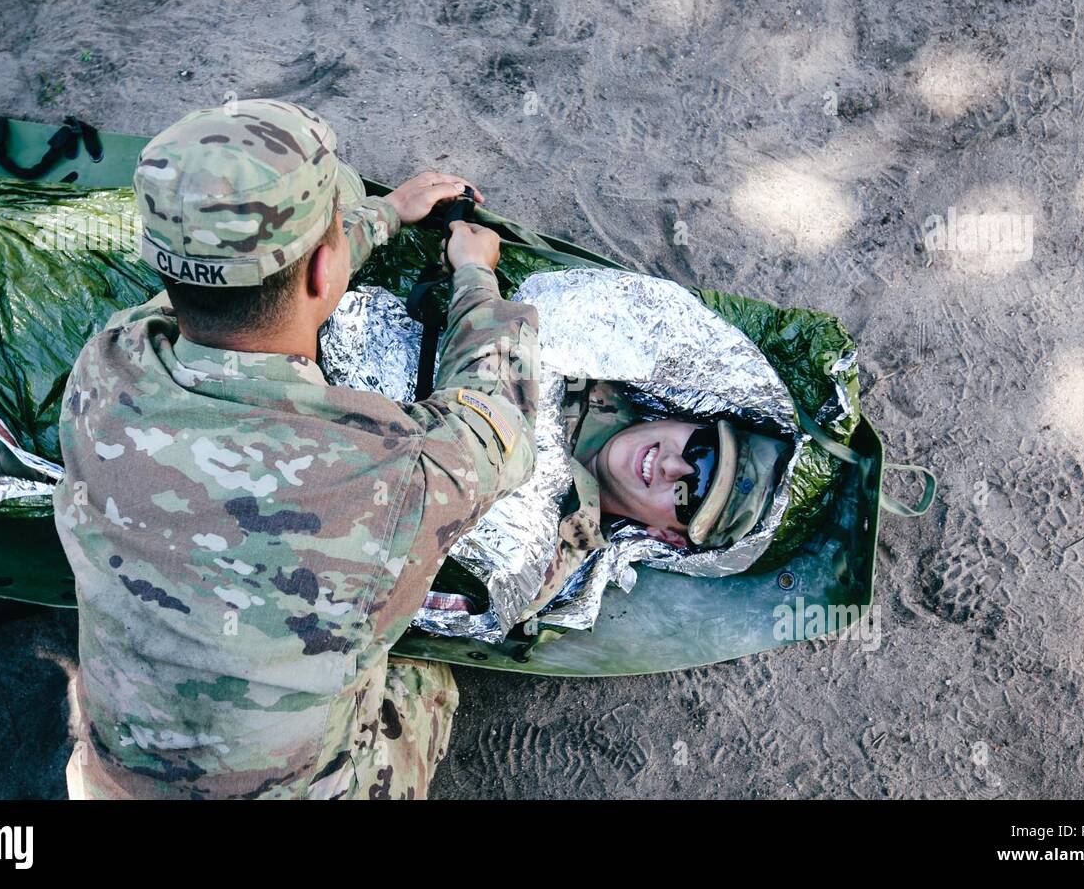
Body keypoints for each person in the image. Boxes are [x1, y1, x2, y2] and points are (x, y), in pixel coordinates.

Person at [52, 99, 539, 799]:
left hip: (111, 782)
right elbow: (500, 418)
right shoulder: (389, 477)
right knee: (427, 678)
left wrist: (381, 215)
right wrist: (475, 274)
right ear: (321, 274)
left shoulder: (106, 370)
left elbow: (211, 298)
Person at [515, 380, 791, 621]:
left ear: (668, 537)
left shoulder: (537, 568)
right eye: (701, 451)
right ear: (687, 421)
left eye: (690, 494)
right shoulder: (590, 362)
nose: (672, 466)